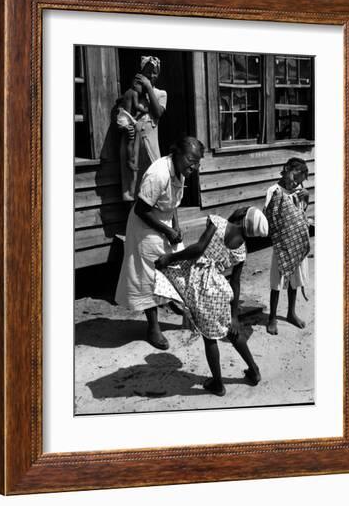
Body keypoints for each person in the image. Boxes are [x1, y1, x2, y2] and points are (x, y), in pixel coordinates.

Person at [154, 206, 269, 396]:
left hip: (201, 287)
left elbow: (198, 249)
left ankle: (218, 383)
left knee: (209, 338)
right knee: (232, 332)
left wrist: (170, 258)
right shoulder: (241, 250)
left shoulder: (218, 223)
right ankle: (254, 370)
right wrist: (234, 316)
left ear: (242, 218)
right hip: (221, 291)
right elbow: (235, 282)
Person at [115, 136, 204, 350]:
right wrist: (167, 230)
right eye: (192, 160)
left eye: (198, 161)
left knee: (178, 265)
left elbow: (172, 204)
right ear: (178, 154)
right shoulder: (158, 174)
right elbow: (141, 209)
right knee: (149, 276)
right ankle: (153, 328)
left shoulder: (181, 170)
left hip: (164, 222)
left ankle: (178, 305)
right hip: (145, 226)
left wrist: (176, 226)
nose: (195, 166)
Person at [264, 157, 310, 336]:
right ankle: (272, 318)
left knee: (295, 280)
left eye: (299, 181)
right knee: (277, 280)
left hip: (297, 242)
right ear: (286, 169)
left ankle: (291, 313)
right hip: (282, 245)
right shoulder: (274, 190)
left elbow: (301, 212)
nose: (296, 183)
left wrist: (306, 197)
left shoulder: (299, 190)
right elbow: (269, 215)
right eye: (294, 177)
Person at [120, 55, 167, 202]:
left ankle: (155, 208)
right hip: (133, 141)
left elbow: (158, 112)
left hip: (150, 141)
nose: (151, 76)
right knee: (132, 178)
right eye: (147, 72)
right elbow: (123, 115)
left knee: (155, 174)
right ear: (140, 74)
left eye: (154, 73)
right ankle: (133, 210)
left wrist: (148, 88)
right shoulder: (133, 93)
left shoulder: (160, 93)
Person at [114, 77, 149, 202]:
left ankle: (130, 160)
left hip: (124, 116)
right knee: (130, 140)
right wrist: (144, 110)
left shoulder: (126, 93)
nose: (141, 91)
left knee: (130, 141)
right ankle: (130, 160)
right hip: (126, 119)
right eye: (141, 87)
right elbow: (136, 106)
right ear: (135, 84)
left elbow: (122, 103)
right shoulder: (134, 93)